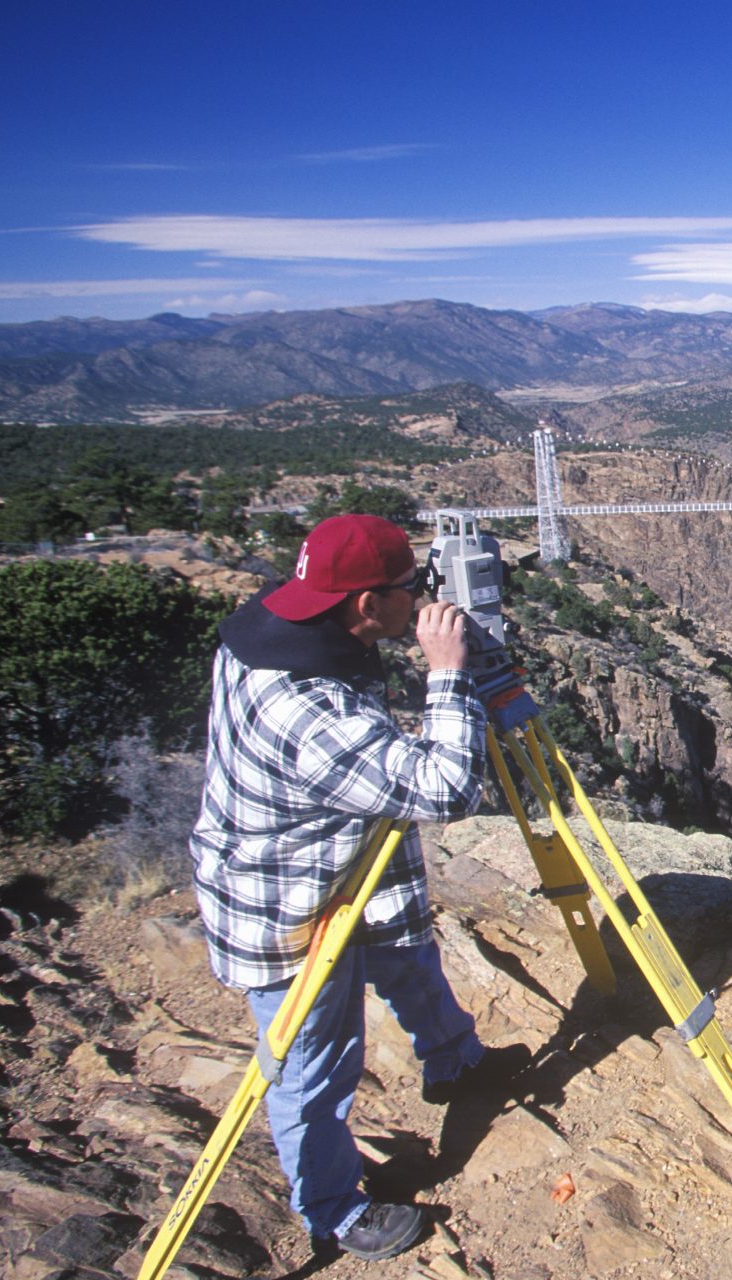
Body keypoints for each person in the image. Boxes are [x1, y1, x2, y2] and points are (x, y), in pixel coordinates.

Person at [188, 514, 526, 1261]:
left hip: (348, 856)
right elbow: (443, 790)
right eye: (412, 588)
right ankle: (334, 1210)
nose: (424, 596)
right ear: (368, 605)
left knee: (407, 948)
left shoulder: (276, 623)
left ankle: (454, 1060)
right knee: (313, 1062)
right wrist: (447, 671)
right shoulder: (303, 707)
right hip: (288, 903)